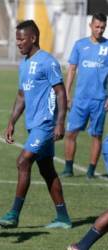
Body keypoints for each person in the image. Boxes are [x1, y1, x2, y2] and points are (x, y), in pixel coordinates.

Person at [0, 20, 72, 229]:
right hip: (33, 125)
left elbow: (61, 92)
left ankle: (13, 214)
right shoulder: (25, 64)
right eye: (16, 39)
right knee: (47, 170)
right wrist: (11, 122)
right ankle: (63, 217)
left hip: (46, 124)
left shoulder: (48, 61)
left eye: (21, 39)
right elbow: (21, 96)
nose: (18, 43)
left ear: (33, 38)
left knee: (23, 161)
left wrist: (60, 122)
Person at [61, 13, 108, 178]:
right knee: (71, 133)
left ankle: (90, 171)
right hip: (80, 99)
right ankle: (68, 168)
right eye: (97, 26)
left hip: (100, 100)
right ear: (91, 25)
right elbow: (71, 69)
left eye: (103, 27)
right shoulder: (80, 45)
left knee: (96, 135)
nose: (100, 30)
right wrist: (67, 94)